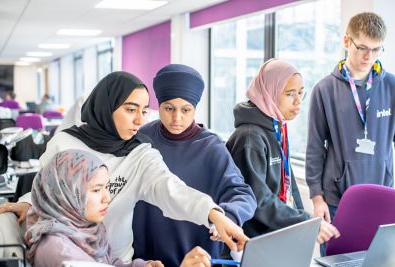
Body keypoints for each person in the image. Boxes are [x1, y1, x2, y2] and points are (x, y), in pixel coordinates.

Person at [0, 71, 248, 264]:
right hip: (70, 254)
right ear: (107, 106)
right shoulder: (66, 142)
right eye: (130, 110)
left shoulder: (139, 151)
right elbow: (48, 185)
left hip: (117, 258)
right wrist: (28, 202)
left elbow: (171, 189)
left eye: (143, 111)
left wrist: (214, 215)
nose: (140, 120)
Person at [132, 64, 256, 267]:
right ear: (159, 106)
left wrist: (226, 216)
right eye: (169, 108)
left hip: (196, 255)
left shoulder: (211, 146)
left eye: (186, 110)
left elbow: (242, 193)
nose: (177, 118)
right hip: (146, 255)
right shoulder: (141, 138)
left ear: (195, 109)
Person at [306, 12, 395, 255]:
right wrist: (317, 198)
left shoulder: (391, 86)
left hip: (382, 198)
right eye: (363, 47)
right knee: (337, 260)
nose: (369, 57)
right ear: (347, 41)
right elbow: (315, 148)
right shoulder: (324, 90)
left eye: (377, 50)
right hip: (338, 202)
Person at [225, 58, 340, 243]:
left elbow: (289, 183)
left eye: (301, 93)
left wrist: (305, 223)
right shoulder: (249, 138)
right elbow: (258, 200)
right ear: (269, 93)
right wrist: (304, 221)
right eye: (290, 94)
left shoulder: (276, 127)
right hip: (252, 241)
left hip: (276, 234)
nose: (298, 102)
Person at [25, 149, 162, 267]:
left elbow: (106, 263)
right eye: (97, 190)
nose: (107, 198)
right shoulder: (58, 248)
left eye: (106, 187)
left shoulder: (83, 229)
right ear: (66, 193)